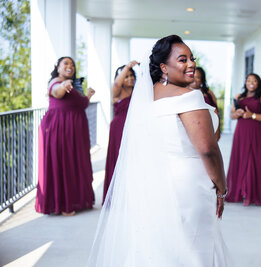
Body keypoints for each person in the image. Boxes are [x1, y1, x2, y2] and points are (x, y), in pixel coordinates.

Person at [87, 35, 230, 266]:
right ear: (164, 67)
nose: (191, 64)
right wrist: (222, 188)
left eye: (192, 58)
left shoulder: (146, 98)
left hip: (155, 183)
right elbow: (208, 150)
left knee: (159, 248)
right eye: (182, 59)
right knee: (194, 250)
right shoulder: (190, 98)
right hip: (189, 186)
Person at [35, 56, 95, 216]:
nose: (70, 66)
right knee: (63, 162)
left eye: (72, 64)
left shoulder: (73, 86)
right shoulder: (56, 82)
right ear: (58, 67)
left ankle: (74, 200)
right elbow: (57, 92)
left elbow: (81, 105)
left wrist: (88, 96)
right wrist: (63, 85)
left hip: (75, 130)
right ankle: (63, 205)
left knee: (75, 163)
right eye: (66, 63)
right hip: (60, 129)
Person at [225, 73, 261, 206]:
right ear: (245, 82)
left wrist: (252, 115)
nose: (251, 83)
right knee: (241, 161)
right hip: (242, 133)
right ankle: (240, 192)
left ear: (259, 83)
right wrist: (237, 113)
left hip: (257, 133)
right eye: (249, 80)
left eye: (255, 80)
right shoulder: (238, 97)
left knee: (254, 162)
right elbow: (232, 116)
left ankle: (253, 194)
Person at [103, 61, 138, 204]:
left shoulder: (138, 92)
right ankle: (117, 196)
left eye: (131, 76)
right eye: (126, 76)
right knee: (119, 158)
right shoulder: (117, 91)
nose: (129, 78)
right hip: (119, 129)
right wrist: (128, 66)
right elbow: (117, 83)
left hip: (135, 128)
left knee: (133, 159)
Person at [189, 67, 221, 141]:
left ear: (202, 80)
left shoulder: (208, 93)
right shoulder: (184, 92)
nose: (194, 79)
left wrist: (217, 132)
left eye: (198, 77)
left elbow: (216, 111)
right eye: (192, 76)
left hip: (208, 126)